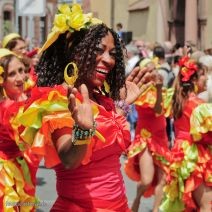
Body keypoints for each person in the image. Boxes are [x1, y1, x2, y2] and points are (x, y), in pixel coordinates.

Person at [16, 3, 160, 211]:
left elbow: (104, 134)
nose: (109, 60)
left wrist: (122, 105)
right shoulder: (59, 99)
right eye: (99, 51)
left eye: (113, 53)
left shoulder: (101, 99)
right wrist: (82, 131)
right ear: (75, 52)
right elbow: (69, 158)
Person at [160, 56, 212, 211]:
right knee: (206, 206)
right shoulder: (199, 105)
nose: (207, 78)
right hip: (194, 156)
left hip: (179, 154)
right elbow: (205, 136)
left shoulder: (176, 100)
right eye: (204, 75)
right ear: (195, 80)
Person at [124, 58, 173, 212]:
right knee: (146, 180)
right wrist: (157, 90)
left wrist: (159, 89)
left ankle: (156, 209)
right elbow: (156, 110)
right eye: (149, 70)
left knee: (163, 179)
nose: (153, 72)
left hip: (161, 138)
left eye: (154, 69)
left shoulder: (162, 90)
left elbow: (160, 111)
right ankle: (137, 199)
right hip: (145, 138)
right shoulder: (140, 91)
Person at [0, 48, 39, 211]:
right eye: (12, 74)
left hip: (18, 167)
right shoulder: (8, 109)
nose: (20, 78)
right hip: (5, 173)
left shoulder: (16, 101)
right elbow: (29, 139)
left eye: (22, 71)